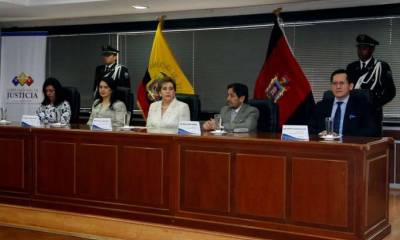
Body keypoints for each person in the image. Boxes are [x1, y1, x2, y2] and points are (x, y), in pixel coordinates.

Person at [346, 34, 396, 134]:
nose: (361, 51)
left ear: (372, 49)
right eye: (359, 48)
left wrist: (375, 104)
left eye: (364, 48)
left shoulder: (381, 66)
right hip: (353, 113)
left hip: (372, 114)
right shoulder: (351, 67)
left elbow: (391, 92)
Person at [309, 69, 377, 137]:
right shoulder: (321, 106)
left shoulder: (363, 106)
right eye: (334, 83)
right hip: (326, 145)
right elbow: (310, 128)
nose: (338, 87)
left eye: (342, 83)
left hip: (350, 145)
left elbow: (371, 130)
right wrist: (320, 133)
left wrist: (341, 136)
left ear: (350, 86)